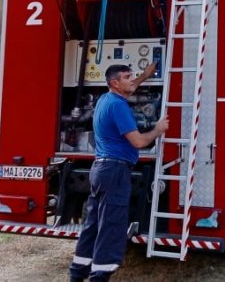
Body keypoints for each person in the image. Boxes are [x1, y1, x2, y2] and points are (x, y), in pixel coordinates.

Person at [69, 63, 169, 282]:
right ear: (115, 83)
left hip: (101, 169)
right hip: (115, 171)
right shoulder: (118, 106)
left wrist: (145, 75)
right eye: (127, 77)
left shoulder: (105, 100)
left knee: (93, 224)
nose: (131, 80)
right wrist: (158, 130)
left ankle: (77, 274)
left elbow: (131, 86)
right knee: (112, 226)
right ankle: (100, 276)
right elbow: (139, 141)